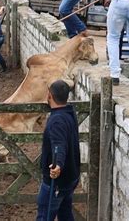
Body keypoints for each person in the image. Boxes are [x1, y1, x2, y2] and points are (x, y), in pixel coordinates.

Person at [36, 80, 80, 220]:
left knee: (44, 216)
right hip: (70, 177)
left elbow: (59, 145)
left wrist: (58, 165)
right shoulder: (68, 113)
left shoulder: (57, 120)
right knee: (65, 214)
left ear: (50, 95)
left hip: (57, 182)